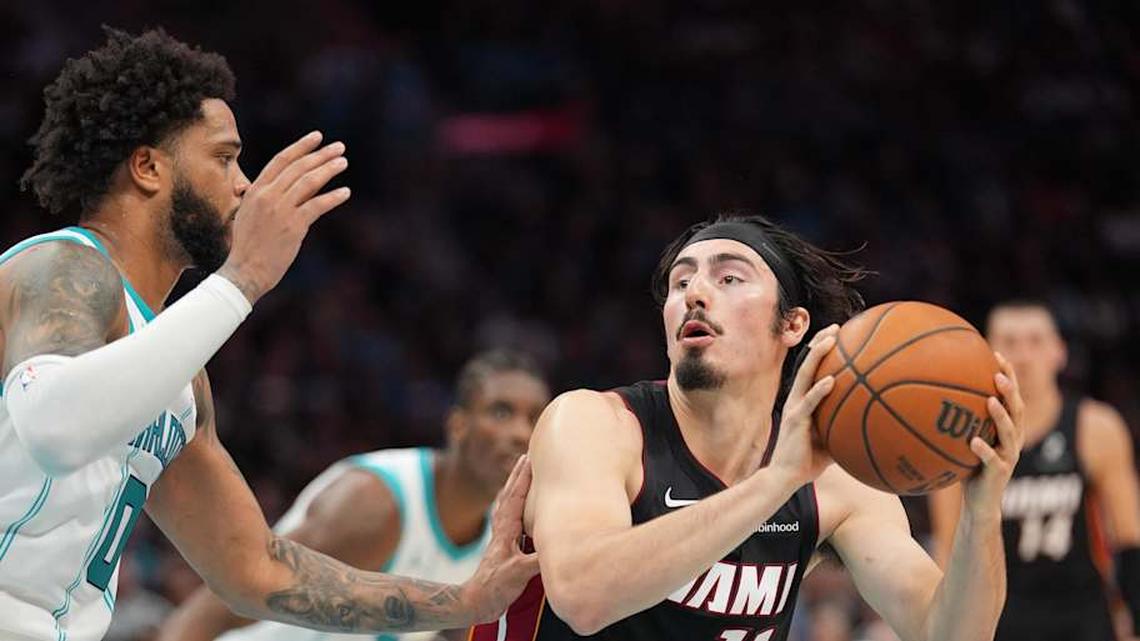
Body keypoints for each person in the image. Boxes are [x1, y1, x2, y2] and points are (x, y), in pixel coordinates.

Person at [0, 27, 535, 641]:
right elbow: (52, 428)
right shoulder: (62, 267)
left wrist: (465, 600)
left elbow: (257, 571)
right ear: (147, 167)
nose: (244, 185)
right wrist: (244, 277)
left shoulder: (179, 381)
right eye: (224, 158)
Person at [471, 213, 1026, 641]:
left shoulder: (834, 478)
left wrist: (983, 509)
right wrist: (773, 483)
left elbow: (946, 631)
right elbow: (583, 596)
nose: (694, 292)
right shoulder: (594, 425)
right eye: (680, 282)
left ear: (793, 324)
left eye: (729, 277)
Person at [160, 349, 552, 641]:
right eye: (501, 412)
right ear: (458, 425)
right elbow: (224, 599)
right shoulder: (376, 501)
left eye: (534, 418)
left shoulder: (499, 536)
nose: (520, 432)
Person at [928, 301, 1140, 641]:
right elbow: (947, 550)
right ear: (987, 353)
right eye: (1010, 343)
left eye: (1036, 341)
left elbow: (1129, 540)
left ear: (1060, 352)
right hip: (998, 622)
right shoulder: (957, 440)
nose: (1024, 356)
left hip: (1084, 619)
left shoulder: (1095, 428)